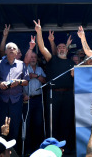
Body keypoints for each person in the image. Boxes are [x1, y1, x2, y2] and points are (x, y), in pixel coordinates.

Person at [34, 19, 75, 154]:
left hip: (68, 95)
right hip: (53, 95)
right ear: (56, 50)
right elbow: (41, 48)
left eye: (64, 47)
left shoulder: (71, 63)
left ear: (67, 50)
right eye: (59, 47)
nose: (61, 48)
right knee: (53, 123)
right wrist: (39, 32)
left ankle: (65, 148)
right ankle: (52, 148)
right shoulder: (52, 59)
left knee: (66, 122)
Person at [0, 42, 29, 144]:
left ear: (17, 52)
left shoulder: (22, 64)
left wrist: (18, 82)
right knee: (1, 125)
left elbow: (26, 81)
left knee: (15, 126)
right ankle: (1, 149)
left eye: (14, 48)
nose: (11, 49)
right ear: (5, 51)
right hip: (2, 99)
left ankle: (13, 151)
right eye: (9, 48)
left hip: (16, 100)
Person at [23, 36, 46, 154]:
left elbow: (44, 81)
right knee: (27, 125)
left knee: (38, 124)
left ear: (37, 59)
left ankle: (38, 149)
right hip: (26, 99)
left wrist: (35, 76)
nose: (32, 58)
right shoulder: (23, 67)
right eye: (31, 57)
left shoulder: (40, 69)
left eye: (34, 57)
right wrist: (23, 96)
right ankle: (27, 149)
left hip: (38, 99)